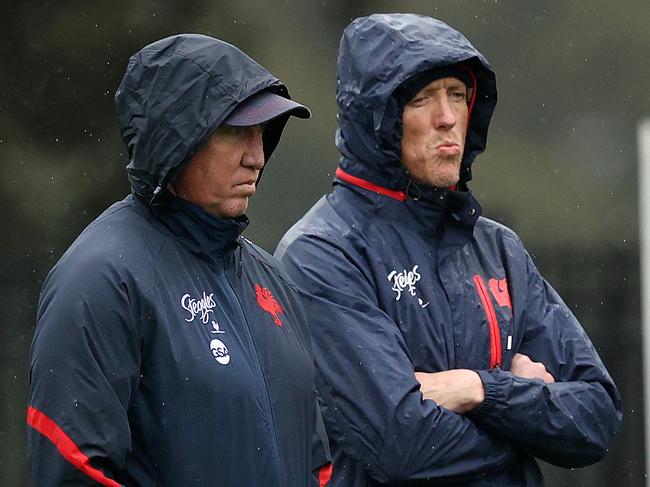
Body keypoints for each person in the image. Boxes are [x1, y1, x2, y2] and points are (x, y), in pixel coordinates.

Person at [275, 13, 621, 486]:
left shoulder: (499, 247)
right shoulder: (321, 253)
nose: (448, 118)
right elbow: (402, 445)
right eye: (422, 99)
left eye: (458, 95)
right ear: (377, 120)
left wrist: (480, 390)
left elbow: (597, 419)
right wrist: (529, 416)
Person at [27, 34, 331, 486]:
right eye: (235, 132)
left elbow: (317, 462)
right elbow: (73, 470)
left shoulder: (273, 281)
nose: (257, 156)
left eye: (262, 133)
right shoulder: (101, 278)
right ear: (177, 140)